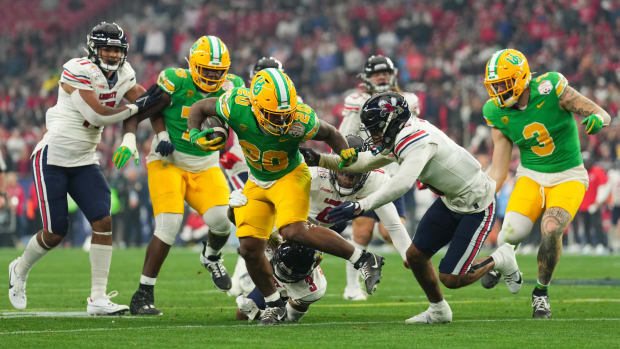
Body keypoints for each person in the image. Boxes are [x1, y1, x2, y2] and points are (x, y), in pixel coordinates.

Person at [301, 91, 520, 324]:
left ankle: (501, 258)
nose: (372, 134)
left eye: (375, 127)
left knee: (451, 277)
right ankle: (439, 310)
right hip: (449, 201)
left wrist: (360, 206)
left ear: (390, 121)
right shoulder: (400, 133)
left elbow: (402, 183)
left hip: (476, 204)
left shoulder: (416, 138)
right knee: (415, 257)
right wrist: (321, 159)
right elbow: (366, 161)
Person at [188, 67, 384, 325]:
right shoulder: (236, 104)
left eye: (285, 115)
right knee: (249, 248)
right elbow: (200, 107)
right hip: (257, 180)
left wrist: (344, 153)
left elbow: (330, 133)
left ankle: (363, 259)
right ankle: (273, 304)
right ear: (255, 105)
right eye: (274, 115)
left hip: (290, 176)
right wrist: (193, 133)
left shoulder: (300, 118)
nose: (281, 122)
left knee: (293, 230)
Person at [7, 22, 162, 315]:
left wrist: (135, 131)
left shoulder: (125, 75)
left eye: (118, 50)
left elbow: (150, 101)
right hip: (53, 157)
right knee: (55, 232)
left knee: (103, 222)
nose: (114, 55)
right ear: (94, 49)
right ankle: (20, 269)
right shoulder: (76, 69)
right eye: (108, 49)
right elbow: (97, 114)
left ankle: (98, 299)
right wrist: (135, 109)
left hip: (85, 160)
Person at [113, 35, 245, 316]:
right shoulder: (176, 80)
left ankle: (211, 256)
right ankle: (143, 294)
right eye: (206, 69)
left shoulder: (233, 88)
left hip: (206, 164)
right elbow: (139, 109)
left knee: (222, 222)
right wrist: (129, 138)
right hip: (167, 161)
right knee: (169, 225)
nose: (211, 75)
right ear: (193, 65)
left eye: (216, 70)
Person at [479, 48, 612, 319]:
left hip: (568, 175)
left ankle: (540, 291)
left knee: (551, 229)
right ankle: (505, 259)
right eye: (494, 86)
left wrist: (598, 120)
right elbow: (499, 169)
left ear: (520, 78)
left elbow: (601, 113)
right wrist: (478, 195)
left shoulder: (551, 88)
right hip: (531, 175)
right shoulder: (494, 111)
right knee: (511, 235)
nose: (497, 92)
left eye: (502, 85)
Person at [229, 135, 412, 298]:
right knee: (249, 306)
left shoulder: (376, 179)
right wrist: (246, 202)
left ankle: (289, 301)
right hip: (291, 227)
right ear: (333, 164)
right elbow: (271, 198)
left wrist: (408, 254)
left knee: (298, 293)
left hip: (321, 237)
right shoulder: (312, 172)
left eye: (354, 175)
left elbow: (393, 224)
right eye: (343, 172)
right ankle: (265, 294)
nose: (347, 180)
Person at [338, 55, 419, 300]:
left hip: (393, 174)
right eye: (376, 73)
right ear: (366, 78)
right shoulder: (356, 101)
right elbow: (346, 135)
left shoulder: (407, 100)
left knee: (389, 231)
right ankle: (352, 287)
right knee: (362, 231)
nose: (381, 77)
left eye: (385, 72)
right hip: (368, 173)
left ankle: (422, 269)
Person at [235, 239, 326, 324]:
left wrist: (258, 314)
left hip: (289, 292)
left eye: (289, 274)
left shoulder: (314, 289)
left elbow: (290, 318)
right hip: (271, 276)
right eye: (282, 270)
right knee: (241, 315)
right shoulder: (277, 237)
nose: (284, 275)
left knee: (246, 312)